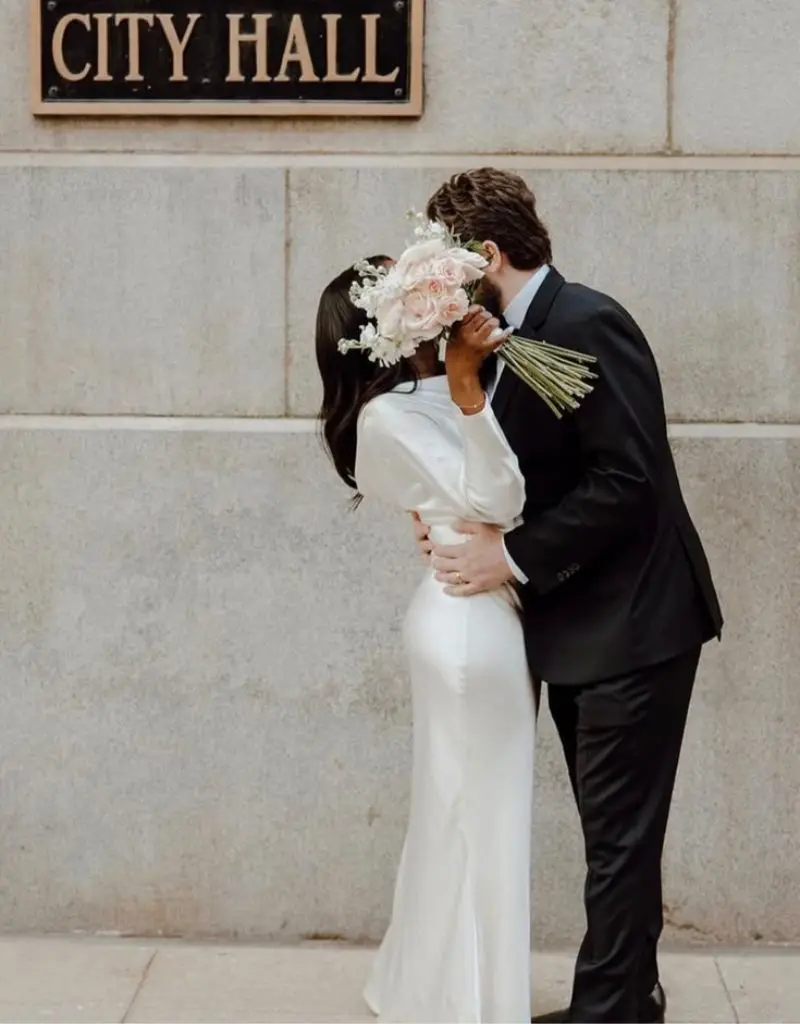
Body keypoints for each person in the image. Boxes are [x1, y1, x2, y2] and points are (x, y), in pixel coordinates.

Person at [412, 169, 724, 1024]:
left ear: (486, 255)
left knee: (618, 843)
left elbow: (629, 480)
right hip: (579, 625)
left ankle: (608, 1012)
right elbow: (531, 473)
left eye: (444, 263)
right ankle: (630, 998)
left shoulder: (588, 322)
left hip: (636, 624)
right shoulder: (501, 339)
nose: (439, 283)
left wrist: (509, 557)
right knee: (613, 836)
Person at [316, 258, 537, 1023]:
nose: (426, 300)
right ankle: (468, 1004)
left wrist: (470, 382)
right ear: (379, 326)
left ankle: (433, 990)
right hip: (466, 626)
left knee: (464, 813)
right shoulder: (390, 416)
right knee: (473, 818)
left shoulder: (455, 385)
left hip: (484, 613)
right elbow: (502, 501)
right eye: (407, 294)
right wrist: (470, 393)